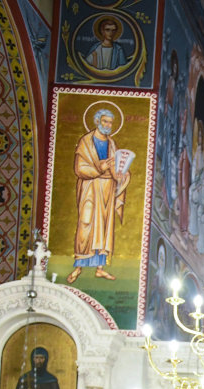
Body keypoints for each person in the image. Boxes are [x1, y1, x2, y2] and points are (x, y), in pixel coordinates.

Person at [67, 107, 130, 284]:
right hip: (90, 188)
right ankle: (78, 267)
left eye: (110, 122)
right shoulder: (86, 142)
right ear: (97, 121)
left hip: (107, 189)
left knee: (104, 227)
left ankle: (100, 268)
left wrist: (121, 174)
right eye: (105, 121)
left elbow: (116, 168)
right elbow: (79, 168)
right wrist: (99, 169)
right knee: (86, 224)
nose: (108, 125)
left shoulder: (112, 144)